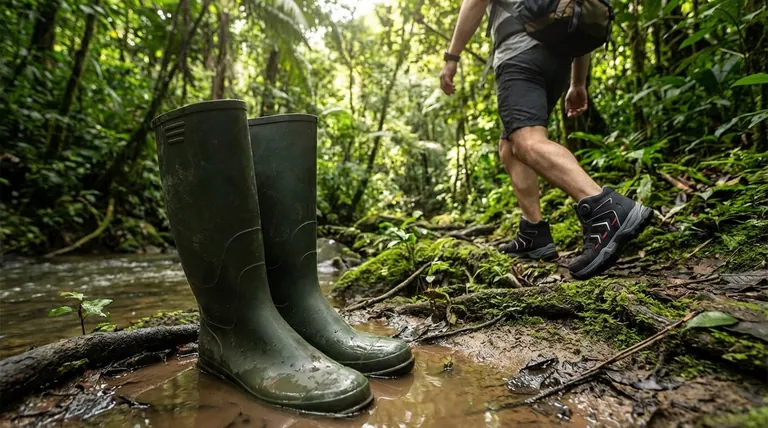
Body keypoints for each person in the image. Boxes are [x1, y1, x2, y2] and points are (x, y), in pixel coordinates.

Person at [439, 0, 652, 280]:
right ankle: (534, 233)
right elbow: (577, 21)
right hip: (557, 60)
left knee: (526, 140)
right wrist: (578, 83)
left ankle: (606, 208)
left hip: (519, 55)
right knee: (510, 146)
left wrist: (451, 57)